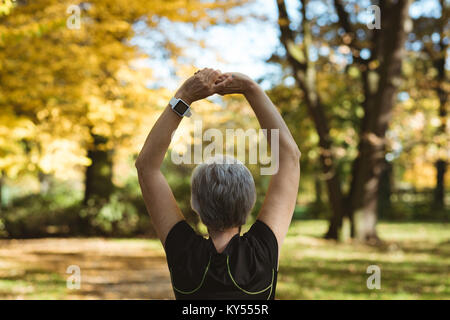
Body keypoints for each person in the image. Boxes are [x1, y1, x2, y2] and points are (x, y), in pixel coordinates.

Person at [135, 68, 301, 299]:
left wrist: (184, 95)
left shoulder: (184, 253)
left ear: (195, 204)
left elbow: (146, 167)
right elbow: (290, 157)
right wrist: (251, 89)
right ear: (249, 203)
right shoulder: (261, 253)